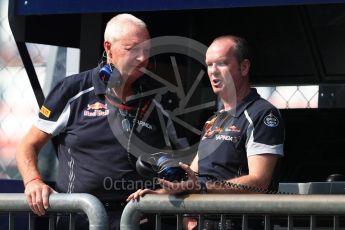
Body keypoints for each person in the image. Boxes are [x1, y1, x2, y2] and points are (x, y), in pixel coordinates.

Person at [16, 13, 171, 230]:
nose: (142, 58)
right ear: (108, 48)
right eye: (133, 49)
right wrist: (33, 181)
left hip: (137, 220)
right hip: (79, 219)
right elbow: (28, 145)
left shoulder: (156, 101)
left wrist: (169, 186)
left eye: (146, 50)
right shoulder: (73, 90)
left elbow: (170, 160)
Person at [127, 35, 285, 229]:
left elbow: (259, 182)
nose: (213, 72)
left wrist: (201, 189)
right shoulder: (214, 119)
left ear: (244, 67)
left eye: (221, 64)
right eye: (209, 65)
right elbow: (193, 176)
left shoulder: (262, 113)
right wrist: (160, 193)